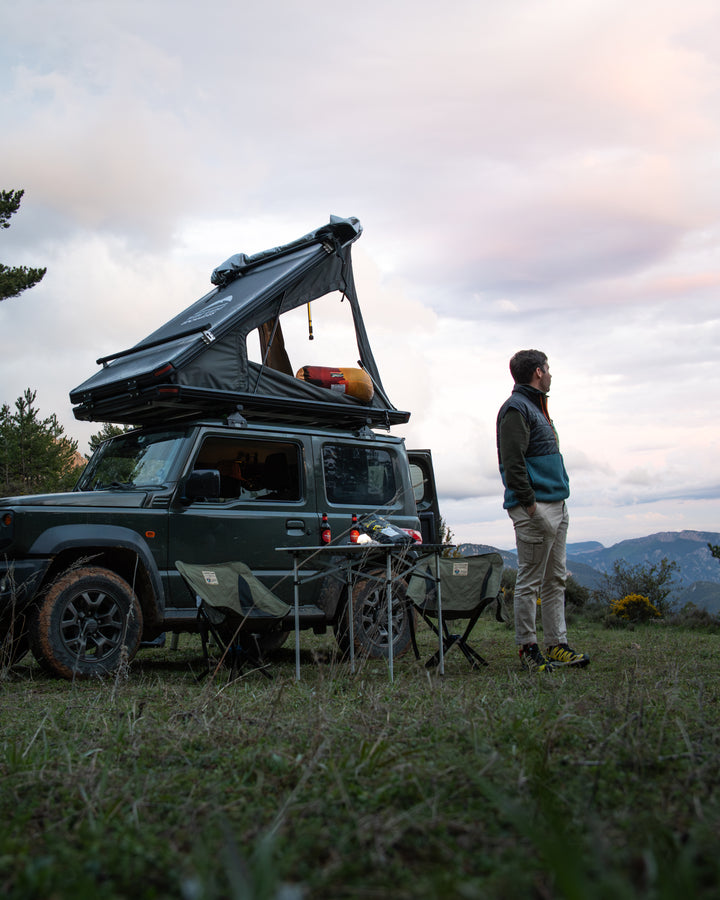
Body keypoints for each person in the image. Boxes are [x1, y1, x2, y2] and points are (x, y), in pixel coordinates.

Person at [496, 350, 589, 672]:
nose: (550, 374)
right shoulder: (516, 409)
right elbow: (512, 460)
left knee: (555, 580)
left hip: (556, 505)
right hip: (535, 508)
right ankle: (528, 647)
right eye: (548, 369)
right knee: (530, 582)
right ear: (538, 372)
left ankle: (557, 645)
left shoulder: (535, 407)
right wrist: (530, 504)